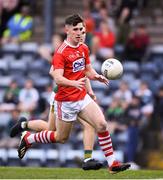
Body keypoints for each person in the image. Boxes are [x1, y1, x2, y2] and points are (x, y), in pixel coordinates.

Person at [17, 14, 130, 173]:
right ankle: (29, 137)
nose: (79, 32)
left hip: (81, 96)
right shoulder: (61, 52)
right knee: (60, 137)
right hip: (65, 100)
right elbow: (57, 77)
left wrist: (96, 76)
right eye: (76, 29)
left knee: (101, 124)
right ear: (67, 30)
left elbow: (87, 70)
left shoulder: (84, 48)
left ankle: (113, 164)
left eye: (82, 29)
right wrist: (74, 83)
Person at [10, 28, 103, 170]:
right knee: (62, 131)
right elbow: (53, 72)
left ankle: (24, 126)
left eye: (83, 33)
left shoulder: (79, 50)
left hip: (72, 95)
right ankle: (87, 159)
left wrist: (89, 90)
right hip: (64, 95)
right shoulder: (62, 52)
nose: (81, 36)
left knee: (51, 128)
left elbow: (82, 73)